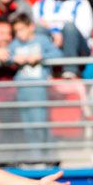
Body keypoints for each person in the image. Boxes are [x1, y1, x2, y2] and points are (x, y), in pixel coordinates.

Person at [9, 13, 63, 160]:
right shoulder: (15, 44)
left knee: (40, 122)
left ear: (31, 27)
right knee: (27, 125)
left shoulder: (42, 41)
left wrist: (41, 57)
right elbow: (7, 56)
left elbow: (58, 54)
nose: (20, 34)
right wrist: (13, 59)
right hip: (22, 89)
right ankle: (35, 156)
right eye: (17, 31)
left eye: (22, 29)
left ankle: (45, 156)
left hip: (39, 88)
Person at [32, 0, 93, 77]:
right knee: (38, 29)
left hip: (77, 47)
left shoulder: (81, 3)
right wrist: (53, 34)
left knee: (69, 28)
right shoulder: (40, 4)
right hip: (51, 44)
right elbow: (34, 27)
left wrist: (58, 33)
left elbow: (85, 30)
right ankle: (42, 71)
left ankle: (70, 71)